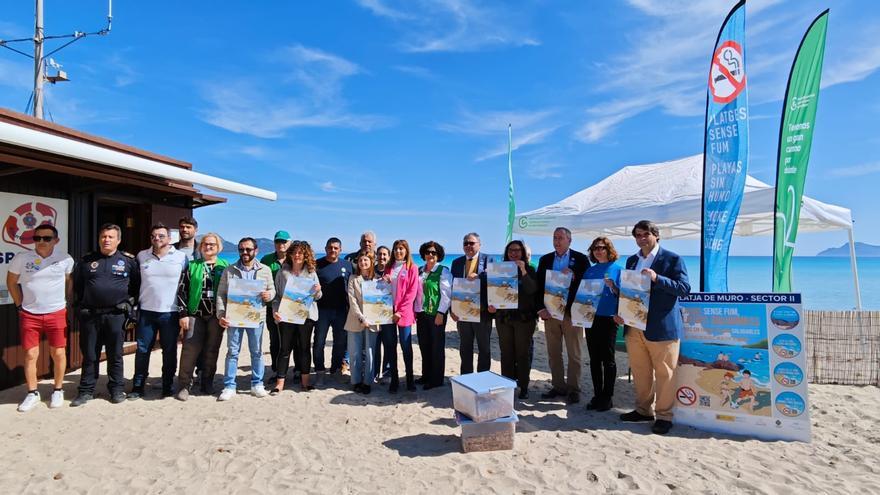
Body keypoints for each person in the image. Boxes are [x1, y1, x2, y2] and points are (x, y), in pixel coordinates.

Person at [616, 220, 690, 435]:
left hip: (661, 326)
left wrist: (658, 278)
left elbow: (684, 289)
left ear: (656, 235)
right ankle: (643, 409)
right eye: (637, 235)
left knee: (665, 374)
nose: (641, 238)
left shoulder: (673, 259)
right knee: (640, 371)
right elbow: (629, 291)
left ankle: (664, 416)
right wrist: (621, 311)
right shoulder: (631, 260)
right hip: (634, 324)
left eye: (645, 234)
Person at [71, 223, 140, 407]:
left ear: (118, 240)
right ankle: (86, 391)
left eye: (110, 237)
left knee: (115, 354)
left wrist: (129, 306)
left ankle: (117, 389)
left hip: (116, 315)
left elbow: (136, 287)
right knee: (90, 354)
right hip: (90, 315)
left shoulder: (128, 261)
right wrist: (79, 308)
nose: (106, 240)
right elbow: (77, 287)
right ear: (99, 239)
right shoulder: (86, 261)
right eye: (103, 236)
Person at [7, 224, 74, 412]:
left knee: (59, 353)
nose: (41, 242)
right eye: (37, 238)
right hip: (30, 314)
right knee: (30, 354)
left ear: (56, 240)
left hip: (56, 313)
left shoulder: (65, 259)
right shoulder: (22, 258)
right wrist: (19, 305)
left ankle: (58, 389)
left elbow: (69, 281)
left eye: (46, 238)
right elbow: (11, 281)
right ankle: (32, 393)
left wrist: (66, 302)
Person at [129, 223, 189, 400]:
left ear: (170, 239)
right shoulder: (142, 256)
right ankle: (138, 386)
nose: (157, 238)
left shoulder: (180, 257)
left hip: (170, 313)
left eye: (161, 236)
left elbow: (185, 286)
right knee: (142, 350)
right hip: (146, 312)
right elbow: (134, 282)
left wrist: (184, 312)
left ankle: (167, 385)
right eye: (154, 235)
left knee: (169, 351)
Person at [215, 237, 276, 401]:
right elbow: (221, 294)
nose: (245, 253)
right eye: (241, 249)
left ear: (256, 251)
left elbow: (272, 290)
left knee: (256, 352)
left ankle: (257, 383)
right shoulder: (230, 270)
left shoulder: (265, 270)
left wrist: (268, 295)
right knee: (232, 352)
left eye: (248, 249)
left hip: (256, 318)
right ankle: (229, 386)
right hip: (233, 317)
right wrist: (221, 314)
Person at [536, 227, 590, 404]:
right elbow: (538, 287)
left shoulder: (581, 259)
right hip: (550, 313)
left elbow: (589, 285)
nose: (557, 241)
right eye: (554, 237)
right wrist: (540, 309)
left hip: (572, 314)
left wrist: (575, 275)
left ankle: (574, 389)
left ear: (569, 240)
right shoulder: (545, 259)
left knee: (574, 353)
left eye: (560, 238)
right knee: (553, 352)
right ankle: (558, 386)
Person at [174, 232, 228, 400]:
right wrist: (183, 313)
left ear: (218, 247)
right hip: (194, 314)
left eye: (212, 244)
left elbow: (232, 292)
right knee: (190, 349)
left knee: (212, 350)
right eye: (205, 244)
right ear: (200, 246)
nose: (209, 246)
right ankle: (184, 385)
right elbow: (182, 290)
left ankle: (207, 382)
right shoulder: (192, 265)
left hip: (216, 316)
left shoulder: (225, 266)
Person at [488, 240, 538, 400]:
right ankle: (508, 384)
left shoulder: (530, 269)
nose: (514, 253)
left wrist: (523, 270)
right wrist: (492, 305)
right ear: (507, 252)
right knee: (506, 353)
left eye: (517, 250)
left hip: (525, 319)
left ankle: (523, 386)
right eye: (511, 250)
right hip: (504, 318)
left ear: (523, 252)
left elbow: (532, 290)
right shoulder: (499, 270)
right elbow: (494, 291)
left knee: (523, 354)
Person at [272, 241, 322, 394]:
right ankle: (280, 383)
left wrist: (317, 290)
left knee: (304, 348)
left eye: (301, 253)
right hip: (286, 316)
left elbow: (318, 296)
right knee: (284, 349)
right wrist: (275, 311)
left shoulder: (311, 273)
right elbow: (276, 296)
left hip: (306, 316)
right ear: (290, 254)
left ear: (305, 255)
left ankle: (305, 382)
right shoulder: (282, 272)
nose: (297, 255)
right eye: (295, 252)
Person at [583, 236, 622, 411]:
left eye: (602, 248)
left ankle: (608, 397)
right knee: (594, 359)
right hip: (591, 318)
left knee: (608, 360)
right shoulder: (590, 271)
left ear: (609, 250)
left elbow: (627, 296)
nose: (598, 251)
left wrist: (613, 287)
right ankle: (597, 395)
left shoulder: (618, 269)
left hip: (609, 318)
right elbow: (583, 296)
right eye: (595, 248)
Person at [450, 232, 492, 375]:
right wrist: (452, 310)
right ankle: (466, 378)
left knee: (484, 348)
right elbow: (452, 287)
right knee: (465, 347)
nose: (468, 245)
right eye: (465, 243)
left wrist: (479, 276)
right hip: (462, 313)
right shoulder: (456, 263)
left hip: (482, 312)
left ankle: (483, 377)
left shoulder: (489, 259)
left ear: (479, 244)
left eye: (471, 243)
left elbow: (494, 280)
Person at [384, 239, 422, 392]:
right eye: (396, 249)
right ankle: (394, 379)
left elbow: (411, 293)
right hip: (387, 312)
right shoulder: (388, 267)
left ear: (406, 251)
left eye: (401, 249)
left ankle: (409, 379)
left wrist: (399, 311)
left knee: (406, 346)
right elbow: (383, 289)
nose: (398, 251)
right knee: (390, 346)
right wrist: (384, 281)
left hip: (403, 313)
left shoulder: (412, 268)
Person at [344, 251, 382, 394]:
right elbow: (352, 301)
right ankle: (356, 381)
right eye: (360, 261)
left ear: (371, 262)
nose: (363, 263)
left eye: (366, 260)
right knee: (355, 353)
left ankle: (367, 382)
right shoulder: (353, 279)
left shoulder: (378, 280)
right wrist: (361, 318)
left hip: (373, 322)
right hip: (355, 320)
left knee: (370, 352)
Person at [314, 237, 353, 375]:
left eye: (336, 248)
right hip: (321, 310)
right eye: (330, 247)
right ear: (325, 249)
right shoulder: (316, 264)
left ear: (341, 250)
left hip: (341, 310)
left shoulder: (348, 265)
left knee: (340, 342)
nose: (333, 250)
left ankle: (335, 368)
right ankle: (319, 369)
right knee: (319, 342)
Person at [417, 241, 452, 390]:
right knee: (424, 345)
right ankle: (426, 375)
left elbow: (446, 295)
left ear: (438, 255)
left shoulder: (443, 271)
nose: (430, 254)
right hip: (421, 313)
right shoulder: (420, 270)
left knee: (436, 347)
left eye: (434, 252)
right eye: (428, 252)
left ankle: (436, 379)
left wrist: (441, 313)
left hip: (436, 313)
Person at [261, 230, 292, 384]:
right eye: (278, 241)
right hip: (271, 307)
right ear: (274, 243)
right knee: (275, 340)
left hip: (292, 307)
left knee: (295, 341)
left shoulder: (294, 258)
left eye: (284, 241)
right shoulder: (266, 259)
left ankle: (298, 370)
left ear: (289, 243)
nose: (281, 244)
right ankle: (276, 370)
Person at [372, 245, 395, 383]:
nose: (382, 257)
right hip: (373, 314)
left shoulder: (392, 272)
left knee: (389, 344)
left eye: (385, 254)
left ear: (389, 256)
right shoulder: (371, 271)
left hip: (388, 315)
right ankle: (374, 372)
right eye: (380, 254)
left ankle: (387, 372)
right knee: (374, 345)